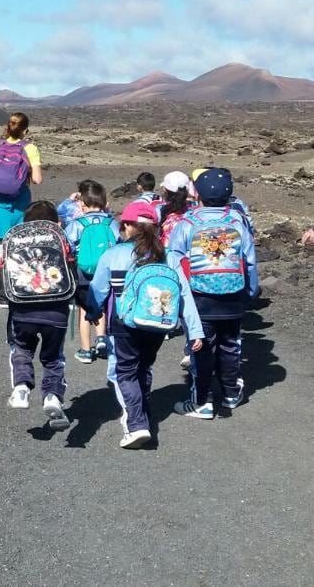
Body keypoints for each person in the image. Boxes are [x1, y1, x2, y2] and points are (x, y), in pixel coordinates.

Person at [87, 201, 204, 449]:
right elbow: (184, 296)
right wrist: (194, 330)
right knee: (144, 367)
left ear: (128, 226)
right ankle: (143, 411)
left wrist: (93, 312)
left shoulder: (113, 255)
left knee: (125, 371)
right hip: (158, 324)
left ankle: (137, 423)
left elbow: (97, 290)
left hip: (124, 323)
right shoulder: (168, 256)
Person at [166, 168, 259, 418]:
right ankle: (230, 394)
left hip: (198, 297)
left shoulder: (187, 223)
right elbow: (249, 261)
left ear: (197, 194)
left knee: (200, 347)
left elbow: (173, 259)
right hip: (233, 295)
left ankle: (202, 400)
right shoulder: (238, 221)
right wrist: (249, 292)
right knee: (231, 346)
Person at [2, 200, 72, 429]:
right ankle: (52, 396)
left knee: (21, 348)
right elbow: (74, 273)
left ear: (25, 222)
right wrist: (88, 306)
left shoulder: (16, 239)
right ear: (57, 222)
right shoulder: (61, 239)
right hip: (57, 312)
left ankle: (21, 388)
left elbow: (2, 276)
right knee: (53, 358)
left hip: (23, 310)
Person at [0, 112, 43, 281]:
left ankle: (0, 293)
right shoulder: (30, 148)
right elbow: (37, 179)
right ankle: (16, 289)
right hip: (18, 208)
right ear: (25, 131)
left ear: (7, 127)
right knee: (18, 252)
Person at [64, 181, 119, 364]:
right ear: (105, 203)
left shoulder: (77, 224)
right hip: (106, 271)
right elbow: (118, 242)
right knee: (102, 304)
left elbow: (68, 246)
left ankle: (86, 350)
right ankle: (102, 338)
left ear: (82, 204)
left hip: (83, 273)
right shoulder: (111, 222)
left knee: (84, 310)